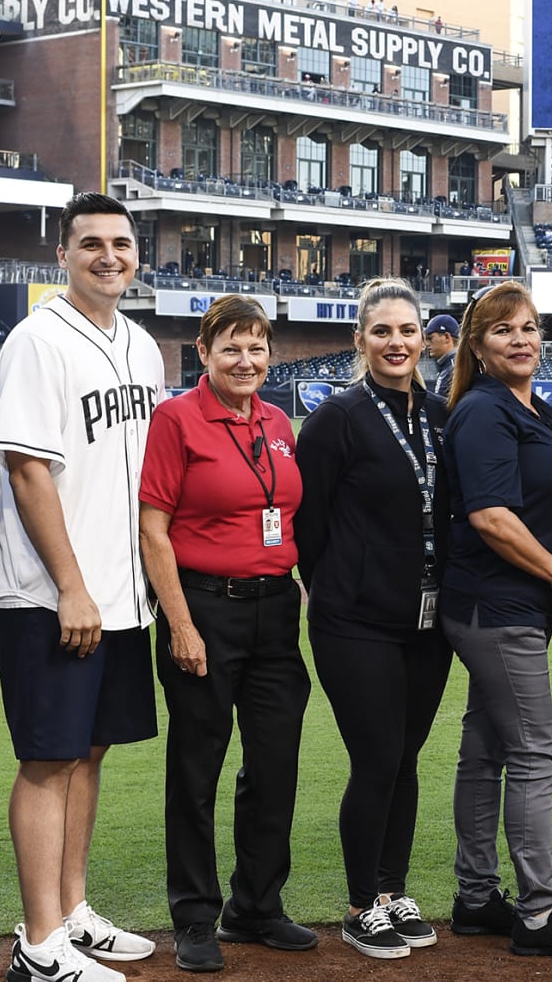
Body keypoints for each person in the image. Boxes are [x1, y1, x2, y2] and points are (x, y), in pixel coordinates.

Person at [0, 193, 166, 982]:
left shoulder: (145, 347)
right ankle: (37, 942)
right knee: (49, 761)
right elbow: (29, 471)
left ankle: (71, 912)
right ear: (64, 255)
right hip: (49, 597)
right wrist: (72, 586)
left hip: (122, 597)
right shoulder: (35, 341)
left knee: (88, 756)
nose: (108, 256)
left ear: (136, 254)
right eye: (90, 243)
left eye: (120, 243)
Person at [441, 280, 552, 959]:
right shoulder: (485, 411)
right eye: (502, 330)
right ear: (478, 347)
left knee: (486, 752)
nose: (521, 339)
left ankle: (475, 896)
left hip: (512, 606)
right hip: (496, 606)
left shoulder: (533, 408)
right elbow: (491, 516)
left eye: (528, 326)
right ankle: (541, 915)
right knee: (535, 755)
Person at [139, 295, 317, 972]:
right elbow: (153, 528)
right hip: (204, 610)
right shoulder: (176, 418)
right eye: (232, 349)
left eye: (258, 348)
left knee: (274, 765)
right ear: (204, 353)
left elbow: (282, 511)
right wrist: (180, 623)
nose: (247, 361)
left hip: (276, 613)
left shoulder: (276, 421)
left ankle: (257, 906)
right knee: (196, 767)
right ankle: (193, 915)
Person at [294, 279, 458, 960]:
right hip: (356, 622)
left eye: (407, 331)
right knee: (377, 757)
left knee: (407, 758)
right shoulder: (339, 417)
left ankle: (392, 891)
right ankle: (363, 904)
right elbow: (309, 522)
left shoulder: (443, 415)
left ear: (423, 339)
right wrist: (335, 589)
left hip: (429, 620)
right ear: (361, 340)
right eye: (382, 331)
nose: (397, 343)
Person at [422, 313, 460, 399]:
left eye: (430, 338)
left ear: (446, 337)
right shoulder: (451, 365)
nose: (427, 344)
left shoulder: (455, 368)